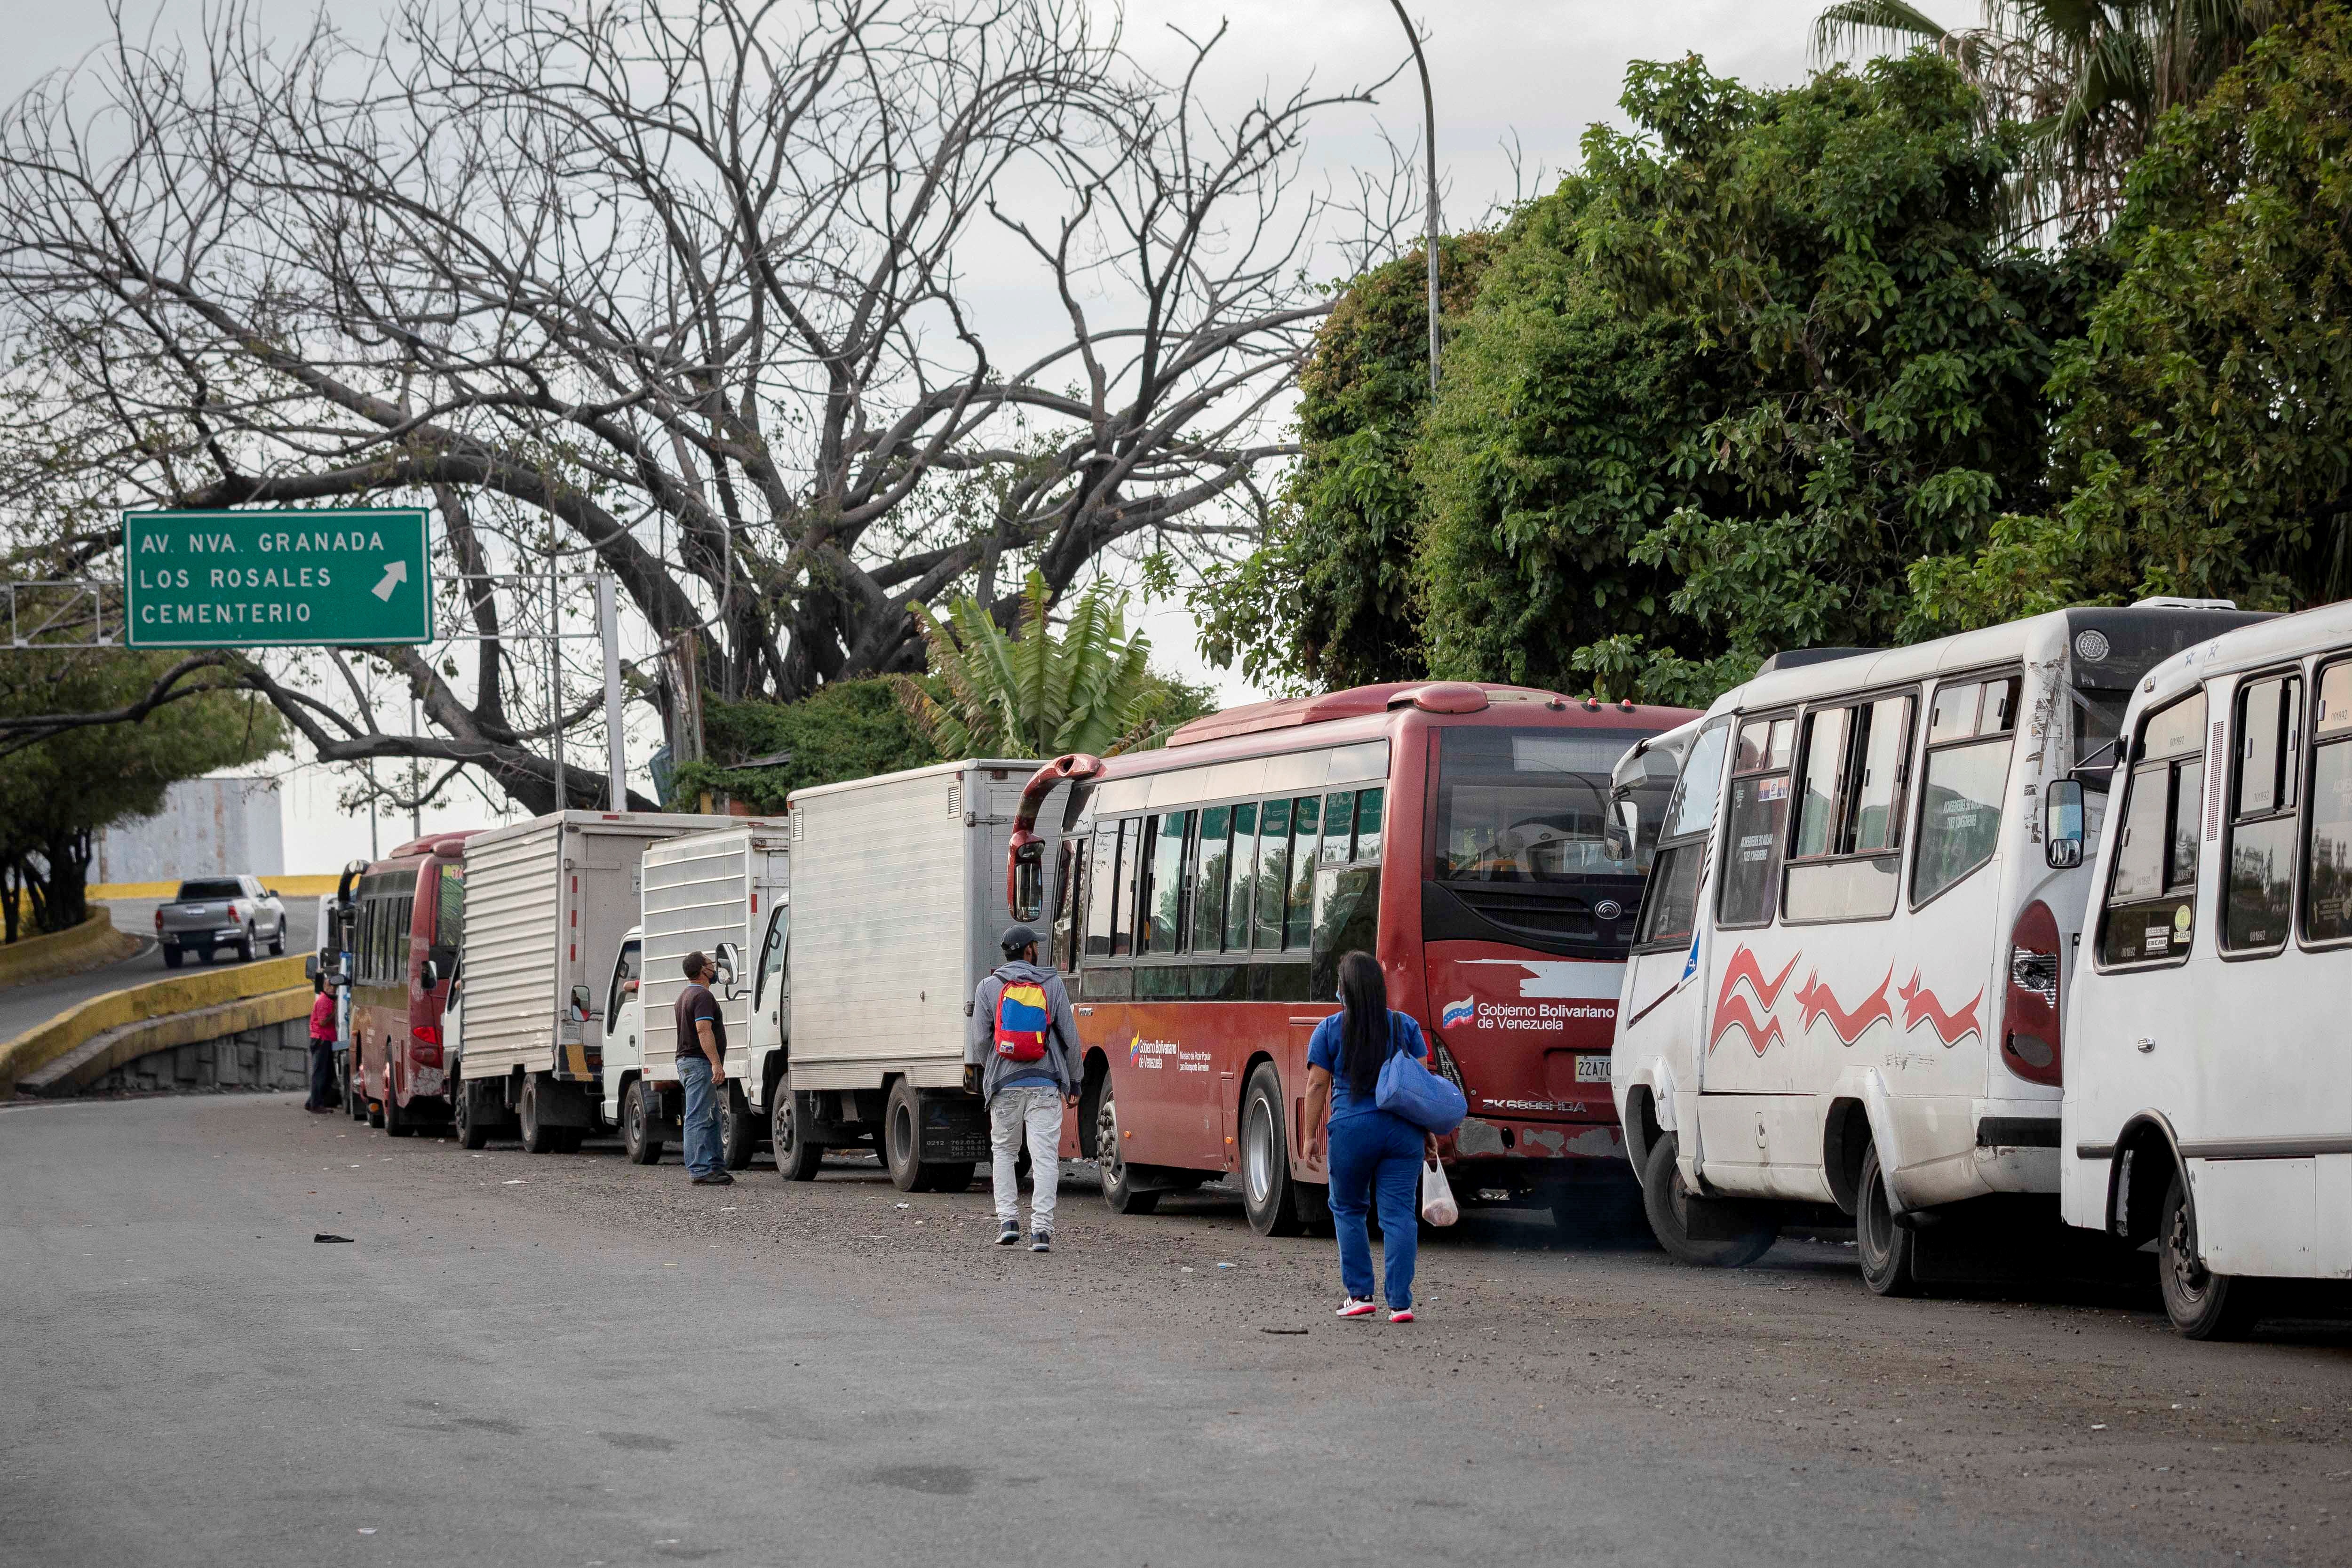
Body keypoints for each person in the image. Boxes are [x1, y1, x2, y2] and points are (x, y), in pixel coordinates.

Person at [1301, 950, 1438, 1323]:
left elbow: (1316, 1085)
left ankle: (1360, 1294)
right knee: (1398, 1215)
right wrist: (1426, 1133)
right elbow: (1419, 1087)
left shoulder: (1329, 1029)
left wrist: (1309, 1135)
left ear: (1343, 990)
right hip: (1402, 1131)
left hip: (1352, 1131)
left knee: (1347, 1207)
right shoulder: (1405, 1026)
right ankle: (1401, 1304)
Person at [965, 923, 1081, 1253]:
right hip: (1045, 1084)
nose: (1037, 949)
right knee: (1045, 1156)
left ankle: (1009, 1223)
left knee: (1004, 1151)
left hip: (1005, 1085)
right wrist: (1075, 1080)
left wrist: (998, 1069)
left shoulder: (988, 987)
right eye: (1035, 945)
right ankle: (1042, 1231)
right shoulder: (1052, 983)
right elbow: (1070, 1038)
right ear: (1028, 950)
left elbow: (979, 1041)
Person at [675, 950, 731, 1187]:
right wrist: (716, 1062)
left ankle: (715, 1167)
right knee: (699, 1117)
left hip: (689, 1063)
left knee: (711, 1116)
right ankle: (700, 1170)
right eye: (710, 964)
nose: (714, 968)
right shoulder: (703, 997)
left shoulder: (684, 996)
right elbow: (703, 1030)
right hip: (699, 1064)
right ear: (702, 970)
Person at [303, 976, 338, 1114]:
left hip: (325, 1039)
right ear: (325, 987)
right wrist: (335, 1012)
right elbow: (323, 1022)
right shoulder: (324, 1001)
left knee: (327, 1073)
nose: (333, 990)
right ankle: (316, 1105)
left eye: (335, 987)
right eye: (330, 987)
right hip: (321, 1039)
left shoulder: (328, 1000)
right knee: (321, 1074)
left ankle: (312, 1102)